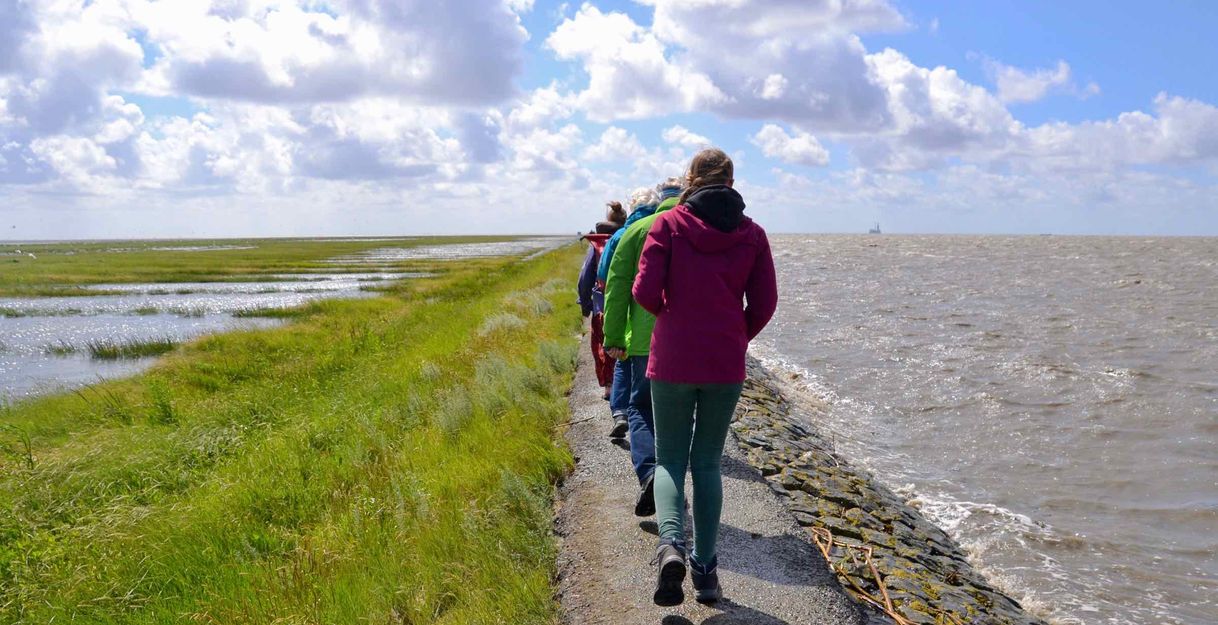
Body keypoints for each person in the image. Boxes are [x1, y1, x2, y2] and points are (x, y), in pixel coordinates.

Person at [632, 148, 777, 606]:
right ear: (732, 182)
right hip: (723, 361)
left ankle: (671, 545)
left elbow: (643, 291)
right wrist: (735, 333)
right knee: (709, 462)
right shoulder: (751, 233)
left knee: (670, 459)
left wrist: (674, 321)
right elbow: (766, 302)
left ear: (691, 180)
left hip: (673, 357)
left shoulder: (668, 225)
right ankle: (706, 571)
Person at [602, 178, 682, 515]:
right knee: (677, 419)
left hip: (642, 341)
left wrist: (614, 337)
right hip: (686, 341)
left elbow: (617, 285)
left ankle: (650, 474)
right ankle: (673, 487)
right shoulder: (691, 226)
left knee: (642, 410)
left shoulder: (635, 231)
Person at [599, 188, 661, 439]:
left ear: (633, 208)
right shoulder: (664, 227)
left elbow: (606, 277)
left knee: (623, 360)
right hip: (656, 318)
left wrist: (610, 334)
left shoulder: (623, 235)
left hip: (626, 310)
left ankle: (620, 412)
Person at [578, 203, 625, 399]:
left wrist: (585, 303)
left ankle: (609, 387)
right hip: (624, 302)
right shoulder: (625, 238)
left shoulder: (596, 245)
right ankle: (625, 383)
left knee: (601, 345)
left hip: (601, 305)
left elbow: (585, 278)